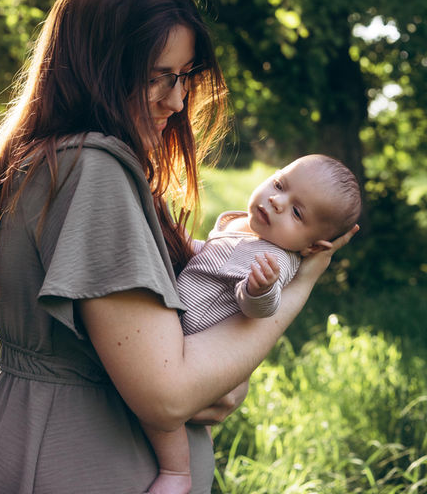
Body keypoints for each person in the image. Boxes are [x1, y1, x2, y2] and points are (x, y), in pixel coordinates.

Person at [0, 0, 358, 494]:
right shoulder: (93, 169)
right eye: (156, 79)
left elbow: (179, 366)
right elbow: (169, 394)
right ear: (97, 69)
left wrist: (219, 378)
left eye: (183, 77)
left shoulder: (50, 158)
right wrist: (300, 285)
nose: (176, 101)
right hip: (89, 460)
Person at [142, 154, 361, 494]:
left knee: (164, 417)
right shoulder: (241, 231)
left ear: (313, 247)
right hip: (176, 329)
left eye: (297, 212)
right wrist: (183, 240)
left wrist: (257, 289)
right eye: (279, 185)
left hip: (195, 343)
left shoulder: (276, 260)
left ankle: (176, 472)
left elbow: (264, 307)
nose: (276, 201)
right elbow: (208, 259)